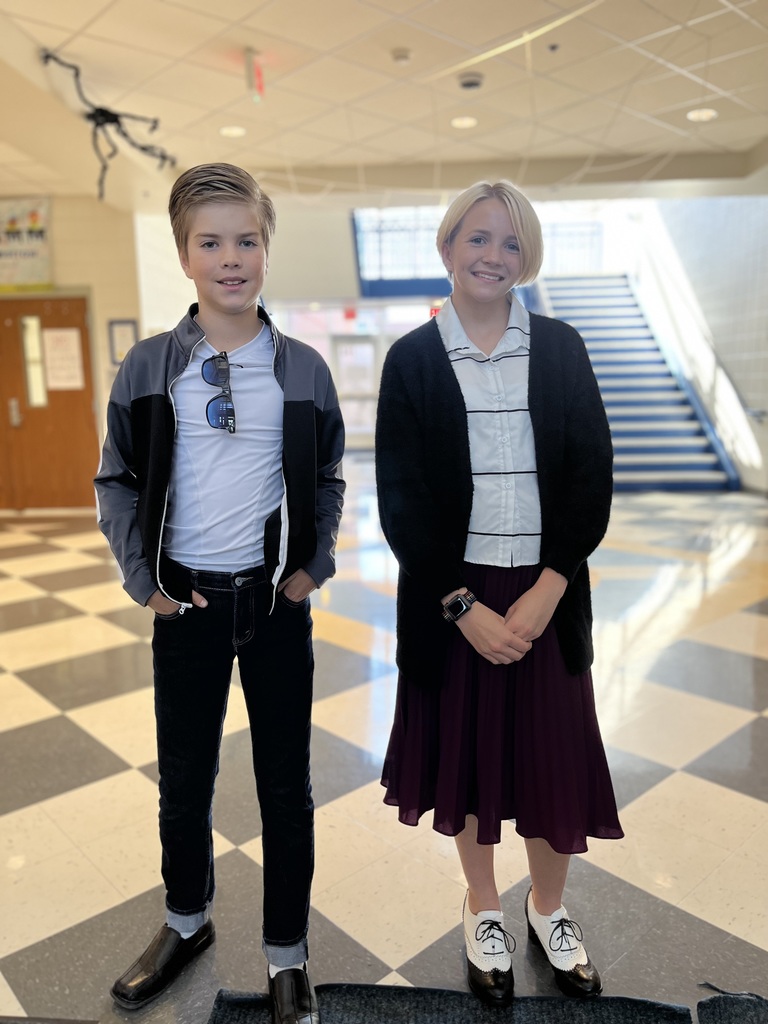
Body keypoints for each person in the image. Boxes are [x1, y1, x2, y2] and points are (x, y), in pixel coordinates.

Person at [94, 163, 344, 1023]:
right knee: (184, 783)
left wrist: (315, 564)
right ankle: (186, 920)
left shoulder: (303, 368)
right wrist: (145, 582)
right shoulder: (149, 367)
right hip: (189, 610)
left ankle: (287, 954)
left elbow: (329, 474)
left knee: (286, 787)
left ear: (267, 249)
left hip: (275, 610)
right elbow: (117, 478)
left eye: (247, 240)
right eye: (212, 242)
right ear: (184, 255)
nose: (231, 258)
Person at [375, 180, 623, 1007]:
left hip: (548, 592)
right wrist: (462, 609)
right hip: (458, 599)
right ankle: (483, 906)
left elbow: (592, 475)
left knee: (554, 768)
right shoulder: (412, 357)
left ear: (528, 258)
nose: (492, 255)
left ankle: (546, 907)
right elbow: (401, 497)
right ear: (446, 248)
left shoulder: (561, 348)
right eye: (477, 238)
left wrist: (553, 585)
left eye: (511, 244)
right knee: (473, 766)